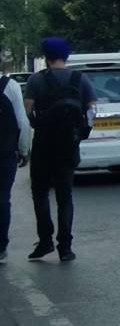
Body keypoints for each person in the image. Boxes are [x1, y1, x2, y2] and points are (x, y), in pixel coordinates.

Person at [24, 37, 97, 263]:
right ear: (65, 57)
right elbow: (93, 109)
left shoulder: (37, 80)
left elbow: (28, 110)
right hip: (68, 145)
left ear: (46, 58)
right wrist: (82, 132)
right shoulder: (80, 79)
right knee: (65, 196)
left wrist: (38, 125)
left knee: (40, 193)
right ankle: (65, 247)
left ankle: (45, 240)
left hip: (44, 144)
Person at [1, 68, 31, 264]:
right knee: (2, 198)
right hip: (4, 153)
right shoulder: (9, 86)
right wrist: (23, 149)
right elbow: (22, 121)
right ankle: (0, 246)